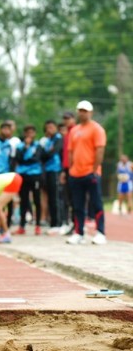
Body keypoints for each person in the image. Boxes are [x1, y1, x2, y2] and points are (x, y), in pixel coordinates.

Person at [67, 100, 107, 245]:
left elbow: (100, 150)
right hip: (75, 173)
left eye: (85, 110)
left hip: (91, 172)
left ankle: (100, 232)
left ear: (90, 112)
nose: (82, 113)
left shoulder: (97, 129)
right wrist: (71, 169)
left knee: (96, 203)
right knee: (77, 205)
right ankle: (78, 232)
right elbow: (70, 151)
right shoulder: (74, 130)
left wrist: (94, 169)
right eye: (80, 110)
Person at [14, 125, 42, 235]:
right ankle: (22, 226)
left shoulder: (38, 145)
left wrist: (27, 159)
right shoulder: (20, 146)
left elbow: (37, 158)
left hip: (35, 175)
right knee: (24, 200)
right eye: (27, 133)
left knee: (37, 200)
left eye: (32, 132)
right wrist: (26, 147)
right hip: (23, 175)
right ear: (25, 134)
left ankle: (38, 225)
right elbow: (19, 159)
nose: (30, 135)